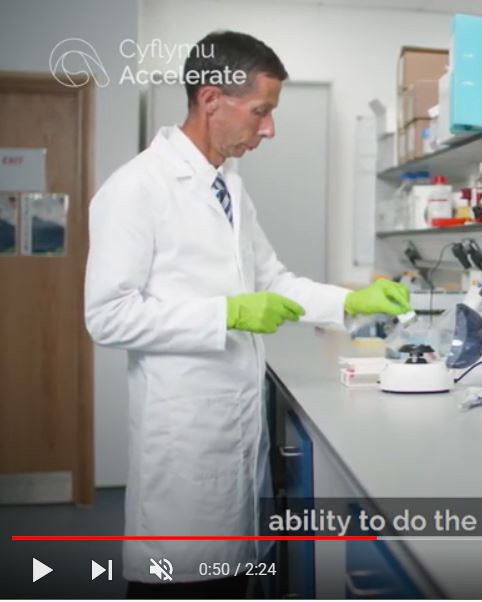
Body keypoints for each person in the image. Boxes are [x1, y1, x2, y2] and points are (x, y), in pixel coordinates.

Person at [83, 30, 410, 598]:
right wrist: (225, 314)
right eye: (261, 111)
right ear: (211, 99)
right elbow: (107, 316)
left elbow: (273, 281)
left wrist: (349, 301)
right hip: (183, 429)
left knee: (233, 577)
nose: (270, 129)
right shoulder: (137, 188)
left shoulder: (228, 186)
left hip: (233, 417)